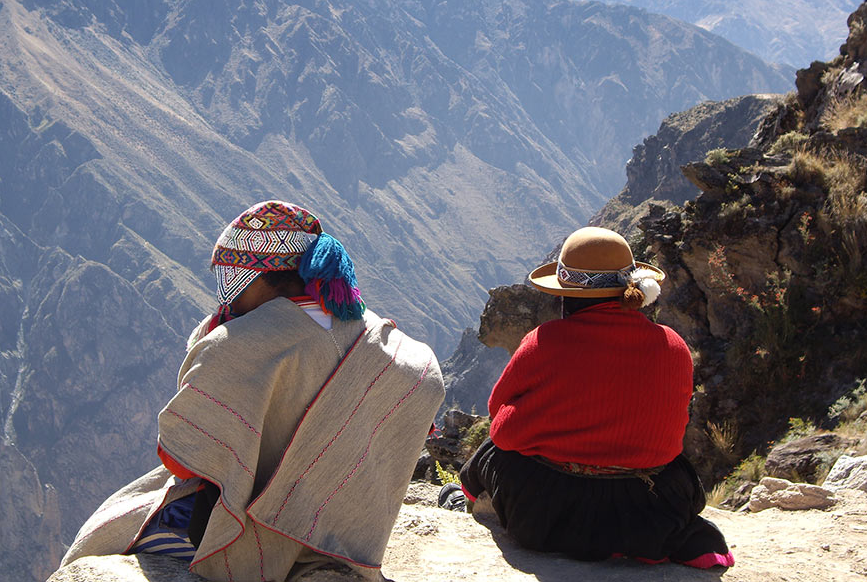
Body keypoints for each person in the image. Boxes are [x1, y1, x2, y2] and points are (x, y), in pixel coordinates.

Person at [59, 200, 444, 580]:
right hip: (350, 541)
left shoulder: (238, 344)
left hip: (267, 536)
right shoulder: (372, 332)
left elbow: (181, 458)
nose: (225, 296)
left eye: (231, 277)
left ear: (262, 276)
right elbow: (424, 381)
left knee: (108, 532)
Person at [446, 227, 733, 569]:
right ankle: (659, 541)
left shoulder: (545, 341)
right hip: (650, 509)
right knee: (677, 469)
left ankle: (461, 497)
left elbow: (500, 417)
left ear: (567, 294)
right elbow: (670, 434)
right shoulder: (672, 346)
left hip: (546, 519)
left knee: (493, 450)